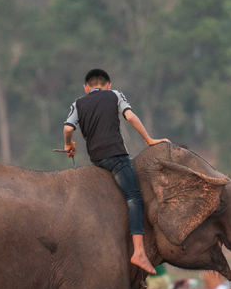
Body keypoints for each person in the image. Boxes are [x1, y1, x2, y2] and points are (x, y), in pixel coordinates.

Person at [63, 68, 169, 273]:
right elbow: (130, 117)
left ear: (86, 88)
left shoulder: (78, 103)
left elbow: (68, 128)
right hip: (116, 158)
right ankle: (139, 252)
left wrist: (68, 146)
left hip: (97, 159)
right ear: (108, 85)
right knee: (134, 198)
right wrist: (149, 140)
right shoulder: (115, 95)